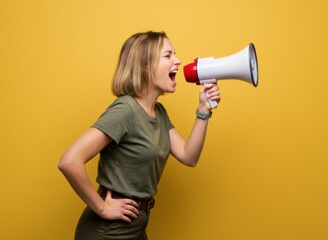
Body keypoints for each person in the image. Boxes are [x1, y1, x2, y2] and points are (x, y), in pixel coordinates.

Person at [58, 31, 221, 240]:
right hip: (108, 232)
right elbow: (69, 161)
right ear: (145, 65)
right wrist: (102, 208)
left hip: (137, 227)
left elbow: (189, 157)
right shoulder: (125, 110)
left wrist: (203, 110)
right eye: (168, 55)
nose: (178, 61)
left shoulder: (159, 113)